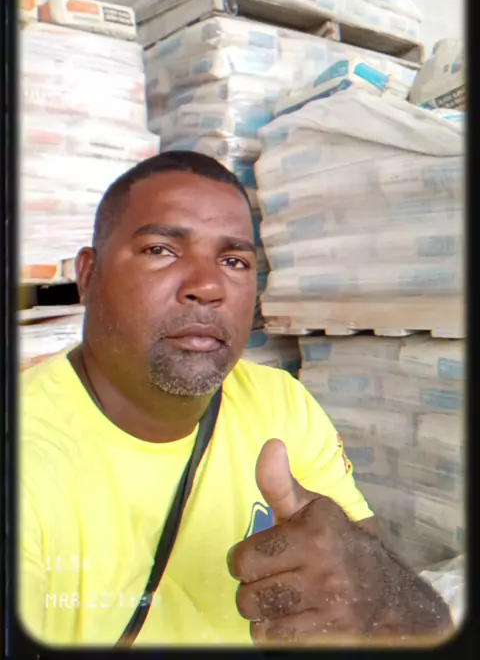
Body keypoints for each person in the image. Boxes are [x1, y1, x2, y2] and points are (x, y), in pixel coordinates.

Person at [20, 151, 452, 648]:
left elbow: (388, 595)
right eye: (161, 250)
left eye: (234, 262)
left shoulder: (280, 403)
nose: (208, 286)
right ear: (88, 275)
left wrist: (380, 597)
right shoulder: (29, 456)